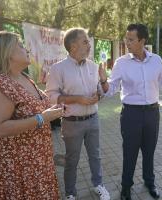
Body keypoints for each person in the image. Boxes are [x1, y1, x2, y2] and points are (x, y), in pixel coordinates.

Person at [99, 23, 162, 200]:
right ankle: (126, 187)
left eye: (131, 39)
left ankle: (149, 182)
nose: (127, 42)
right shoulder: (121, 63)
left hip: (152, 114)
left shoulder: (156, 60)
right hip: (131, 114)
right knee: (129, 152)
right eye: (126, 38)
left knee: (149, 151)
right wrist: (103, 81)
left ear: (142, 40)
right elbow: (111, 90)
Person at [0, 31, 64, 199]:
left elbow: (35, 109)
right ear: (7, 51)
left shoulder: (25, 77)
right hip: (20, 165)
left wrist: (54, 109)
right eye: (21, 45)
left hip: (40, 159)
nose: (27, 49)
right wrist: (42, 118)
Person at [46, 28, 110, 200]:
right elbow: (51, 97)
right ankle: (70, 194)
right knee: (71, 160)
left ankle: (99, 185)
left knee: (95, 156)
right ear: (73, 46)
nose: (89, 45)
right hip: (71, 123)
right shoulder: (58, 69)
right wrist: (77, 99)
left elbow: (102, 92)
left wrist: (99, 92)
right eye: (85, 42)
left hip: (93, 119)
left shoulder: (94, 66)